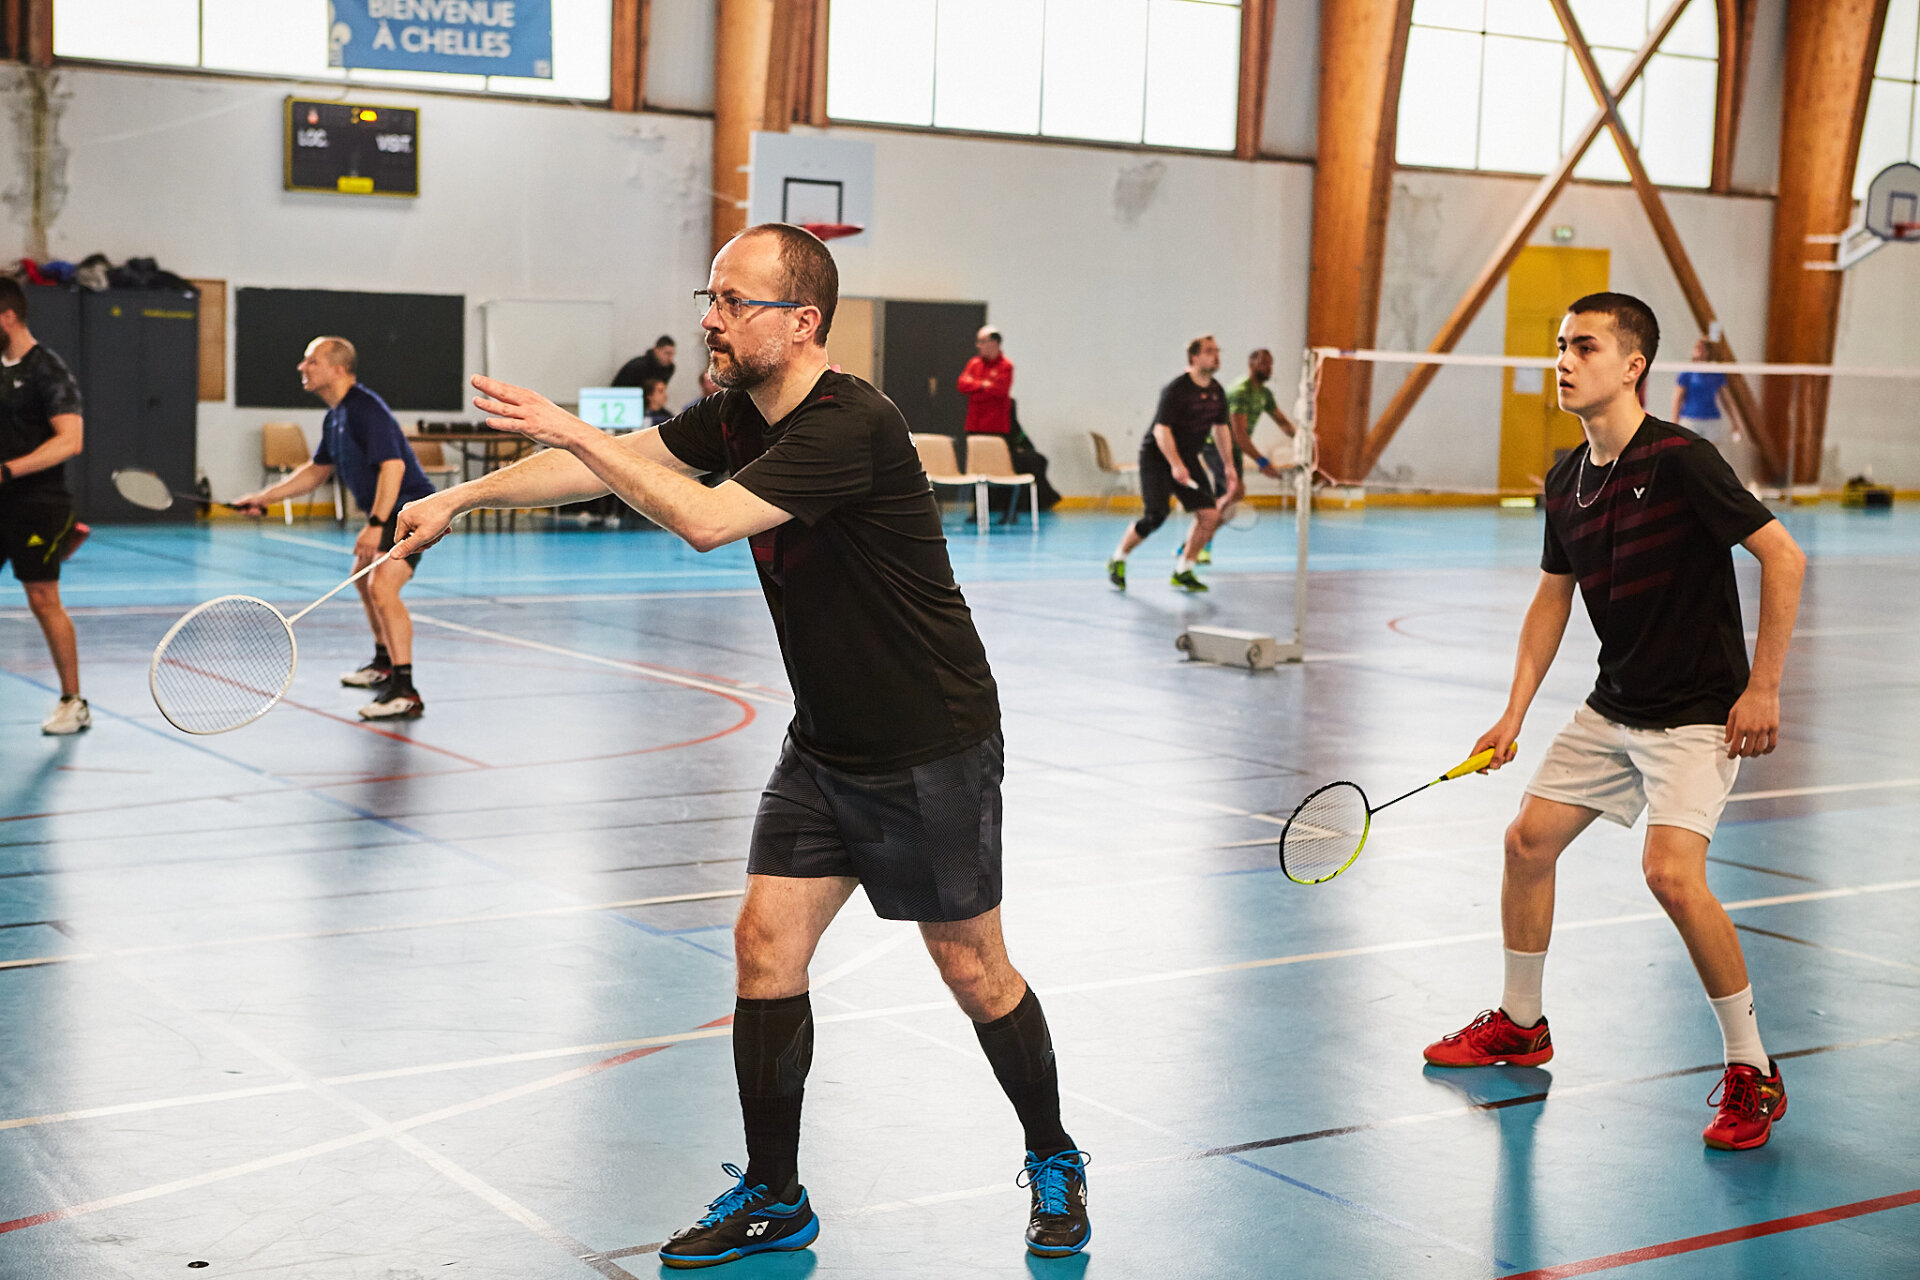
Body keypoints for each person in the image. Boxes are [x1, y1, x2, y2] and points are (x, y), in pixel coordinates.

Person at [392, 223, 1091, 1266]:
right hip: (828, 741)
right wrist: (459, 494)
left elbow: (708, 520)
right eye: (709, 298)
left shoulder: (850, 422)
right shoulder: (735, 414)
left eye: (732, 302)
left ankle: (1054, 1153)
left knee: (972, 967)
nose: (710, 320)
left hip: (928, 742)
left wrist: (576, 429)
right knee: (765, 945)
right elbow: (616, 470)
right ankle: (776, 1193)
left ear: (802, 321)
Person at [1422, 292, 1806, 1153]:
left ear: (1633, 365)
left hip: (1698, 713)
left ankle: (1754, 1069)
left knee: (1671, 875)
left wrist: (1765, 688)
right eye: (1560, 345)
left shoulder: (1681, 460)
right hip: (1615, 702)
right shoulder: (1566, 479)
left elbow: (1783, 556)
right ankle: (1522, 1023)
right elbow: (1551, 599)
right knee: (1527, 843)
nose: (1564, 360)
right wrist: (1513, 712)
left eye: (1584, 346)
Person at [233, 337, 438, 721]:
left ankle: (406, 691)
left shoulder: (366, 408)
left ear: (338, 369)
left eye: (311, 361)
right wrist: (264, 497)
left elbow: (393, 467)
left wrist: (375, 524)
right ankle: (384, 664)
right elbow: (316, 472)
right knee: (363, 580)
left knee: (381, 586)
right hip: (391, 512)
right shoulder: (336, 417)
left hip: (410, 510)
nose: (302, 367)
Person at [0, 277, 89, 734]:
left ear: (8, 317)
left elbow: (70, 440)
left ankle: (73, 701)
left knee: (41, 597)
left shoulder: (47, 370)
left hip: (38, 502)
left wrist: (8, 470)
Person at [1106, 334, 1236, 592]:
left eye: (1217, 351)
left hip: (1187, 458)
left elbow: (1222, 429)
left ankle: (1184, 570)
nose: (1216, 356)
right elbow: (1161, 430)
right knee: (1156, 516)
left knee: (1209, 515)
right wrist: (1175, 465)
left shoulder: (1216, 392)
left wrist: (1229, 465)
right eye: (1209, 351)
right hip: (1157, 457)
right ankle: (1118, 558)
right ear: (1194, 358)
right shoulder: (1176, 389)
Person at [1196, 347, 1296, 560]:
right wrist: (1262, 462)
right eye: (1264, 363)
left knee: (1230, 503)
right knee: (1235, 492)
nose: (1269, 368)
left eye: (1271, 364)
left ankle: (1195, 542)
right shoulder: (1240, 392)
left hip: (1234, 450)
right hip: (1216, 447)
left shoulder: (1264, 394)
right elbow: (1239, 434)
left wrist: (1304, 439)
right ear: (1252, 364)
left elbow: (1283, 422)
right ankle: (1198, 545)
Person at [957, 326, 1013, 437]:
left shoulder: (1005, 366)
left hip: (995, 426)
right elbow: (961, 384)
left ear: (994, 343)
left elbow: (999, 391)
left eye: (982, 341)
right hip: (974, 425)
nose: (978, 345)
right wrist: (982, 384)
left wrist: (974, 390)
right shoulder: (974, 363)